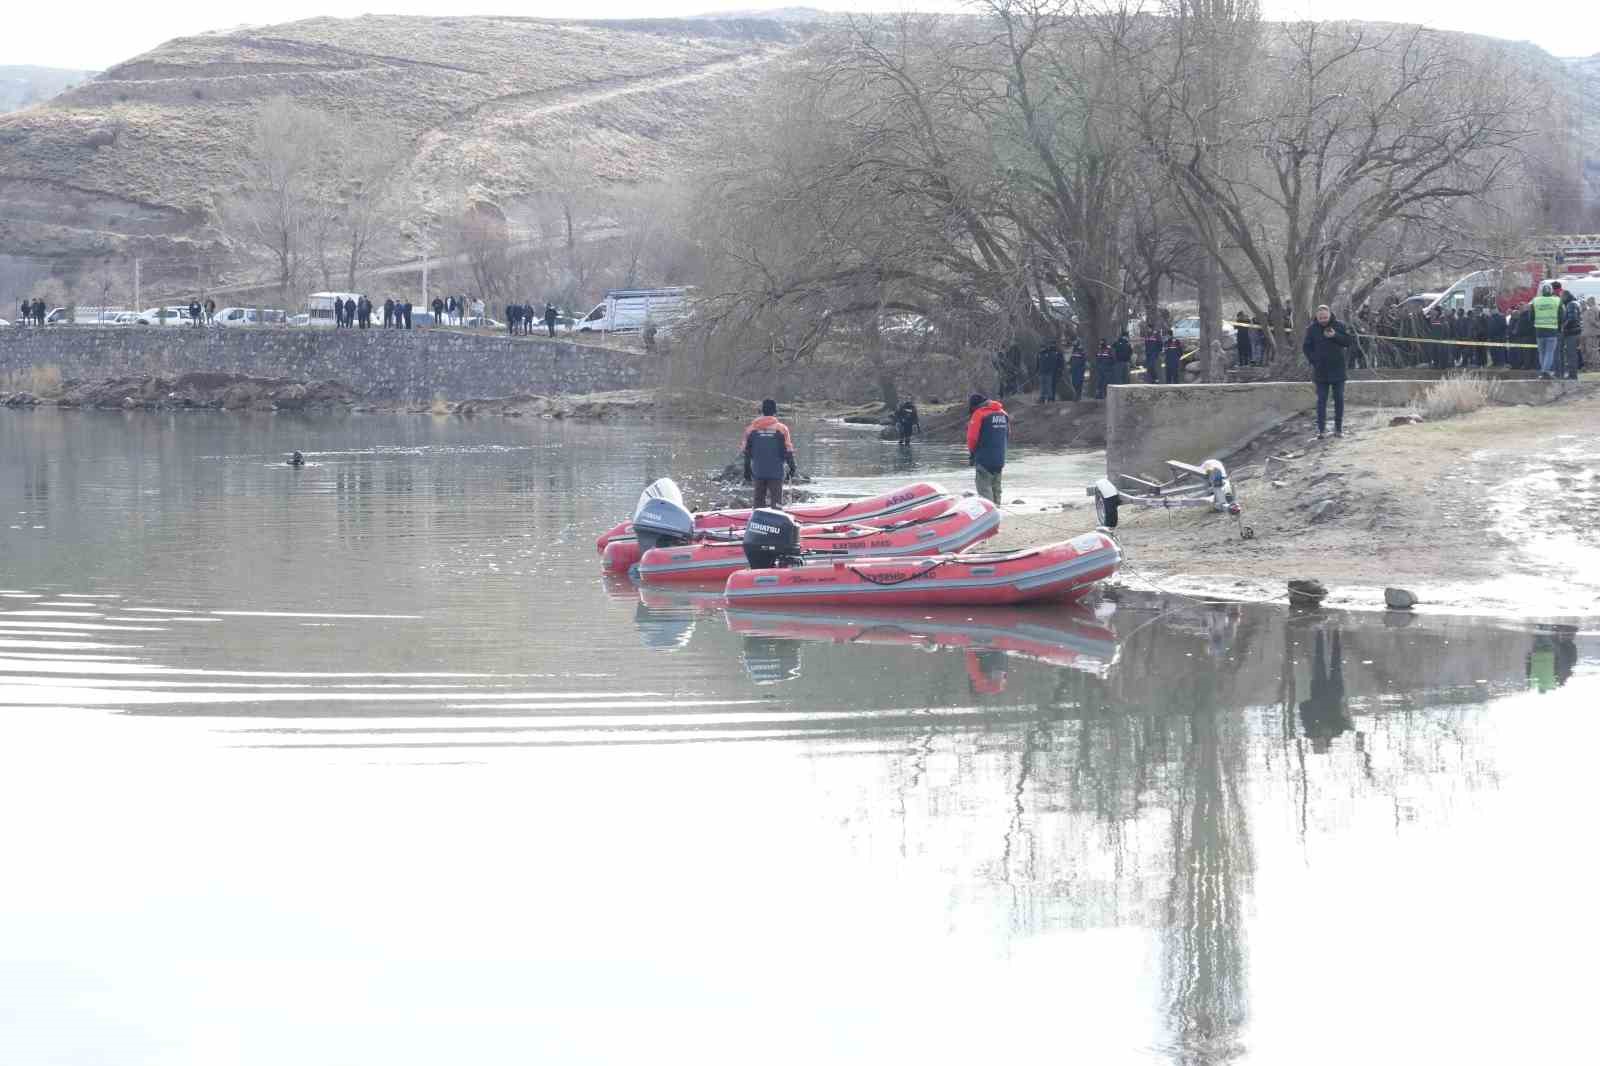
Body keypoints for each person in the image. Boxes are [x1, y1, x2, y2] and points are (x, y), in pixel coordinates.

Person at [1303, 304, 1352, 439]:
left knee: (1339, 399)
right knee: (1321, 401)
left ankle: (1338, 429)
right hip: (1321, 371)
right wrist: (1314, 360)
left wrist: (1335, 335)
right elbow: (1306, 348)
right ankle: (1321, 430)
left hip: (1338, 369)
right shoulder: (1311, 329)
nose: (1323, 320)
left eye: (1325, 317)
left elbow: (1348, 342)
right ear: (1316, 317)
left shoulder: (1340, 326)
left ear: (1330, 314)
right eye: (1320, 318)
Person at [742, 399, 797, 509]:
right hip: (776, 472)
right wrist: (792, 468)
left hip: (758, 471)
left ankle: (757, 521)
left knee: (758, 502)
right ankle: (776, 520)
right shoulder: (782, 429)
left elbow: (746, 452)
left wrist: (747, 470)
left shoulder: (750, 429)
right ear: (775, 412)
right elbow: (788, 451)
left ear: (762, 411)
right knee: (776, 503)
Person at [965, 393, 1008, 504]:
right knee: (996, 488)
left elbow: (971, 438)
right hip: (1000, 458)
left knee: (984, 489)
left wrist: (972, 453)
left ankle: (989, 514)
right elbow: (1007, 435)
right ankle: (997, 512)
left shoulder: (979, 414)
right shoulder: (1003, 414)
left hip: (984, 459)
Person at [1530, 282, 1562, 379]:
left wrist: (1535, 325)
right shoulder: (1557, 300)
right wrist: (1559, 327)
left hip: (1539, 330)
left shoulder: (1535, 301)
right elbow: (1561, 315)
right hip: (1552, 330)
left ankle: (1544, 371)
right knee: (1549, 352)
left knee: (1542, 352)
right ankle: (1545, 372)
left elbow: (1531, 316)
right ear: (1551, 291)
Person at [1557, 283, 1582, 380]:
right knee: (1571, 354)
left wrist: (1563, 326)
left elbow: (1572, 318)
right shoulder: (1574, 303)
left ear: (1566, 296)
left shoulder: (1571, 304)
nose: (1561, 299)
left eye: (1561, 297)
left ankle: (1572, 375)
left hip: (1571, 333)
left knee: (1571, 354)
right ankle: (1572, 374)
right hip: (1574, 332)